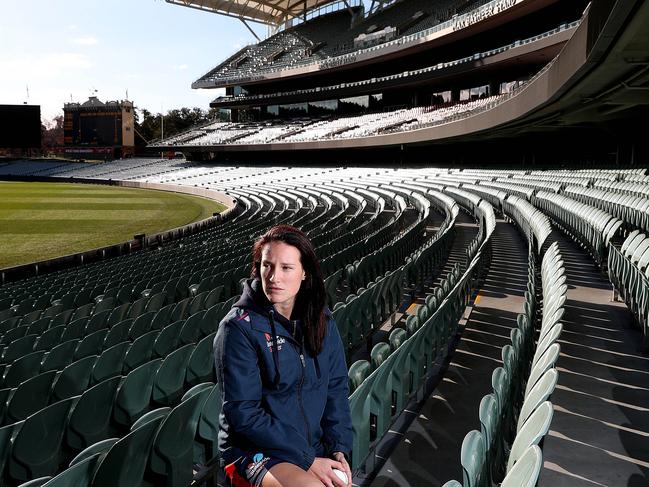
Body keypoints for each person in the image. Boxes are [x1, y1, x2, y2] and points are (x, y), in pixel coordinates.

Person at [213, 225, 353, 487]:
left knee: (340, 480)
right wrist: (308, 459)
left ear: (304, 273)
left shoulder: (321, 318)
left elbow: (335, 387)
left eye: (286, 268)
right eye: (267, 265)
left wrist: (338, 448)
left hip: (308, 445)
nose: (274, 277)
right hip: (252, 450)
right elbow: (244, 414)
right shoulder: (238, 328)